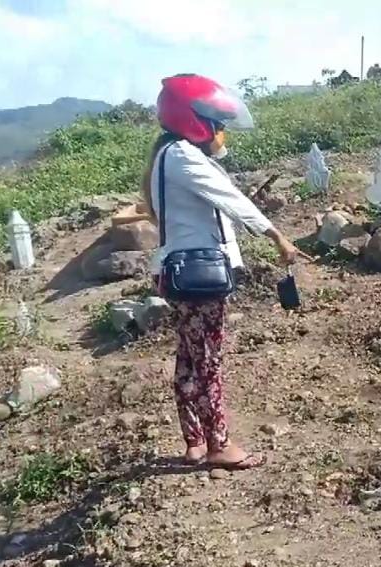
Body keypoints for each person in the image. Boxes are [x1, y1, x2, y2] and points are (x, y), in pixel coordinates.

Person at [142, 73, 309, 470]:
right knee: (207, 361)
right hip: (199, 274)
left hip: (178, 271)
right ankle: (219, 444)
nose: (221, 134)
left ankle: (195, 441)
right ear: (194, 121)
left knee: (188, 359)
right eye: (217, 124)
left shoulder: (169, 155)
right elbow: (231, 199)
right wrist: (277, 237)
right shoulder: (182, 155)